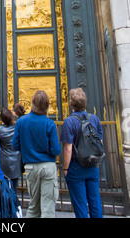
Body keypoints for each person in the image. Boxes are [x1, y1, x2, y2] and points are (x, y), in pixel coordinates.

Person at [12, 90, 61, 218]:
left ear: (32, 103)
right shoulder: (49, 123)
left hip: (30, 167)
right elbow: (56, 150)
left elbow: (15, 145)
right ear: (47, 106)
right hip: (47, 166)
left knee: (33, 205)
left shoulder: (21, 121)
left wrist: (27, 148)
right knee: (47, 207)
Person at [60, 88, 103, 218]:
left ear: (70, 104)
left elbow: (68, 148)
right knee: (95, 201)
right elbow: (99, 142)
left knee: (80, 204)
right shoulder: (94, 119)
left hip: (76, 165)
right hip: (92, 164)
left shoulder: (69, 121)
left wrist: (65, 168)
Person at [0, 107, 22, 193]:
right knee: (14, 188)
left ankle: (7, 205)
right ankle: (14, 205)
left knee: (4, 189)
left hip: (5, 162)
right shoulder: (16, 128)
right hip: (16, 161)